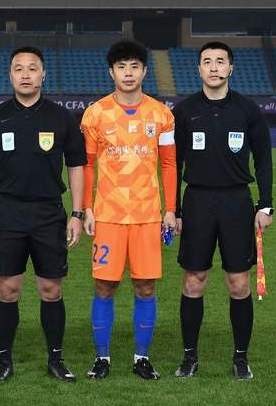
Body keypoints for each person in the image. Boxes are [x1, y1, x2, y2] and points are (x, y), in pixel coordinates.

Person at [0, 46, 86, 382]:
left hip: (49, 213)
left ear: (43, 74)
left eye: (32, 68)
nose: (26, 74)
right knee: (8, 289)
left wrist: (77, 213)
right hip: (8, 214)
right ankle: (4, 360)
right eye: (19, 68)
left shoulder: (61, 118)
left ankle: (56, 359)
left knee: (51, 289)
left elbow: (76, 167)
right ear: (10, 75)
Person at [173, 41, 273, 380]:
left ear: (231, 68)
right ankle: (189, 357)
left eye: (220, 61)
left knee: (238, 283)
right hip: (197, 202)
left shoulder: (248, 110)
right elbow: (174, 164)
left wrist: (266, 205)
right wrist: (174, 210)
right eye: (207, 61)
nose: (213, 67)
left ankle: (241, 358)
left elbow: (263, 161)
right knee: (193, 280)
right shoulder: (184, 111)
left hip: (236, 203)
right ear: (198, 69)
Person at [81, 39, 177, 380]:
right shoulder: (95, 114)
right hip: (108, 216)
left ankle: (142, 358)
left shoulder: (161, 114)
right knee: (104, 287)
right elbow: (87, 165)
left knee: (146, 287)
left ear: (145, 71)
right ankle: (102, 358)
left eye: (134, 66)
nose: (128, 73)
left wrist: (170, 210)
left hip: (148, 216)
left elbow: (169, 164)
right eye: (121, 67)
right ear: (111, 72)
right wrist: (86, 208)